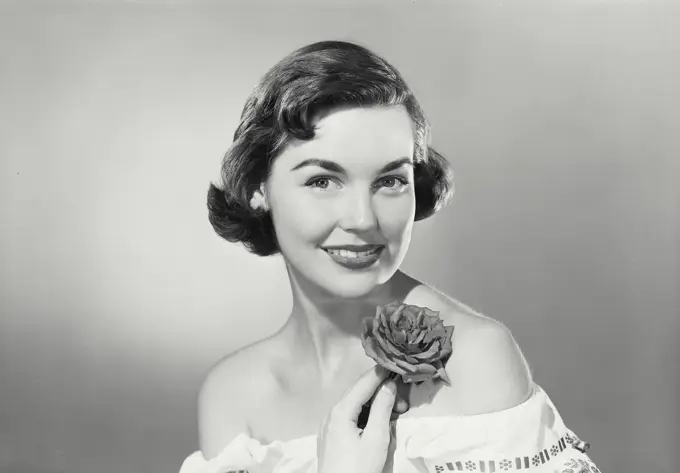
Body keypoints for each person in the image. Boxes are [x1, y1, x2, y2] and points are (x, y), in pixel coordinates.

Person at [179, 40, 602, 473]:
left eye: (391, 181)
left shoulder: (475, 358)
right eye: (323, 181)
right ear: (258, 189)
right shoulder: (232, 394)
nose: (363, 219)